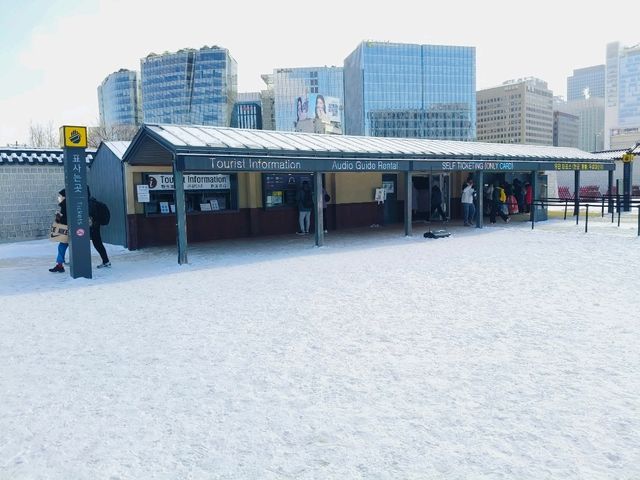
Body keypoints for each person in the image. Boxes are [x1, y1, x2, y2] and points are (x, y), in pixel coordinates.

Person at [49, 189, 68, 273]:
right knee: (62, 246)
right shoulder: (65, 205)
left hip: (68, 230)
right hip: (69, 229)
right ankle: (59, 265)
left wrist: (58, 218)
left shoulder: (65, 205)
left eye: (60, 196)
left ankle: (60, 265)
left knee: (62, 246)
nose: (59, 198)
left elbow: (66, 219)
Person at [89, 196, 111, 268]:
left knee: (97, 244)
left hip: (93, 226)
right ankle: (106, 261)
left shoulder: (90, 204)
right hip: (96, 225)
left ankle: (106, 261)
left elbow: (92, 215)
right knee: (98, 244)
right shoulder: (96, 203)